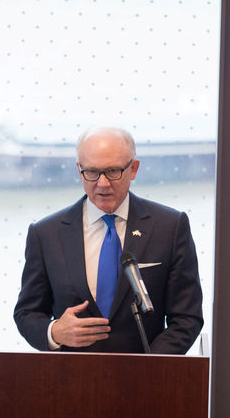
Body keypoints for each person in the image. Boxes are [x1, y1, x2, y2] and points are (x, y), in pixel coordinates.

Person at [13, 126, 203, 354]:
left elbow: (186, 318)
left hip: (147, 382)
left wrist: (150, 368)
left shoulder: (170, 227)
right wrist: (54, 332)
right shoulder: (46, 234)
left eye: (113, 171)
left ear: (133, 169)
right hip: (69, 381)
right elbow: (27, 314)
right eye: (91, 172)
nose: (102, 183)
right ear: (79, 170)